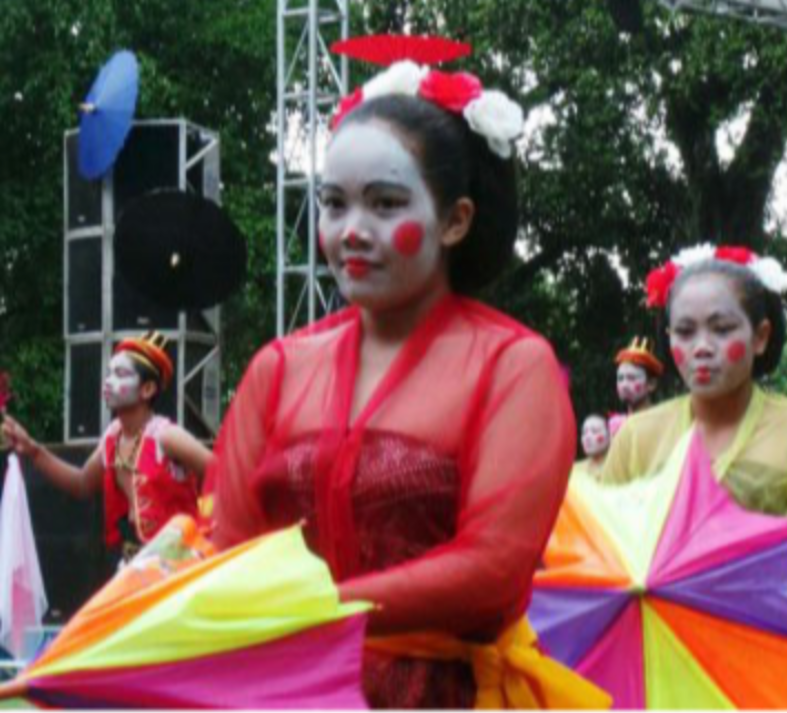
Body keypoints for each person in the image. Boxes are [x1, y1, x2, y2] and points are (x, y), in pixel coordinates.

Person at [205, 61, 601, 712]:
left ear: (455, 221)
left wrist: (315, 608)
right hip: (281, 690)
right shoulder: (277, 367)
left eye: (385, 203)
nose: (351, 230)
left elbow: (491, 572)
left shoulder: (513, 366)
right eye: (334, 203)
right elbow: (228, 547)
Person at [599, 244, 787, 709]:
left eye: (722, 327)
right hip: (660, 660)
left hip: (768, 654)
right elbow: (604, 545)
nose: (702, 347)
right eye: (685, 331)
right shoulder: (639, 435)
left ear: (760, 336)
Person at [3, 333, 211, 561]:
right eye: (109, 373)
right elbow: (82, 484)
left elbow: (222, 473)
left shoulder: (167, 437)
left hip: (178, 561)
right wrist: (33, 450)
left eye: (121, 374)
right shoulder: (113, 437)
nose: (109, 382)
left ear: (148, 389)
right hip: (134, 558)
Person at [614, 335, 663, 414]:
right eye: (620, 378)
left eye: (631, 378)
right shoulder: (617, 424)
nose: (624, 385)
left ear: (651, 384)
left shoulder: (663, 421)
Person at [572, 414, 611, 480]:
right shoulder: (575, 470)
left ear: (609, 435)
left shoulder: (618, 467)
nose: (587, 437)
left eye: (594, 431)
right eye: (584, 432)